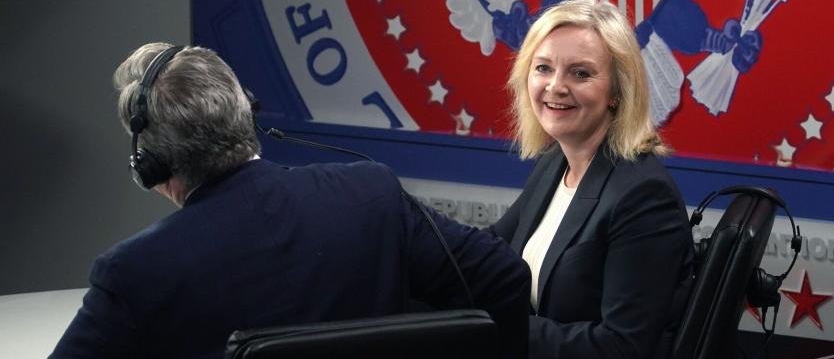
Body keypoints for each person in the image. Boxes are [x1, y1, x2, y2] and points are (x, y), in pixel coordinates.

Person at [51, 43, 530, 359]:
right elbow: (505, 279)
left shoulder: (135, 272)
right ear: (246, 113)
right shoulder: (370, 195)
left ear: (150, 163)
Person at [491, 0, 694, 358]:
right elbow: (489, 253)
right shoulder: (555, 161)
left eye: (580, 73)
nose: (555, 86)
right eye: (543, 68)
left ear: (616, 91)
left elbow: (621, 347)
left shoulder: (644, 194)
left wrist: (494, 328)